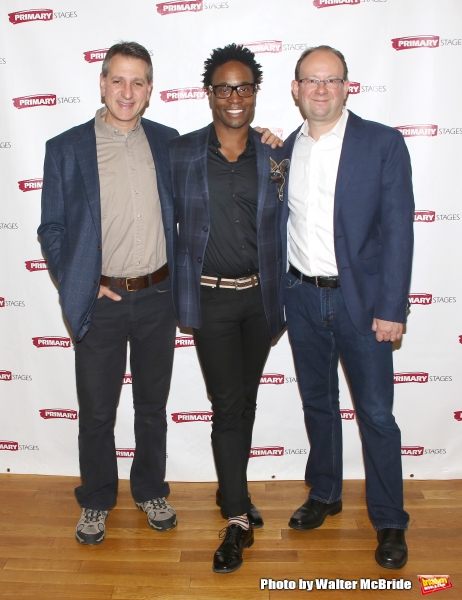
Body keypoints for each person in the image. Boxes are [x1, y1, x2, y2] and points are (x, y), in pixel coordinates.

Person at [38, 41, 281, 546]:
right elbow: (53, 230)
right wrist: (82, 284)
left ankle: (150, 489)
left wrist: (263, 136)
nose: (128, 92)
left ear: (151, 90)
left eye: (139, 82)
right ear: (102, 83)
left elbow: (225, 150)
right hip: (101, 302)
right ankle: (98, 500)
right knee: (98, 411)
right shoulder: (65, 148)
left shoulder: (171, 144)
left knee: (152, 405)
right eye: (118, 80)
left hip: (159, 295)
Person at [283, 45, 414, 569]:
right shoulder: (281, 149)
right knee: (318, 404)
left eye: (331, 80)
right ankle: (325, 493)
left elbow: (398, 232)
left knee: (377, 415)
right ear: (295, 90)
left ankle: (388, 519)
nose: (321, 90)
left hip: (364, 303)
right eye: (311, 81)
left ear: (346, 87)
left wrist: (392, 306)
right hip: (301, 297)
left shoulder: (381, 143)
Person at [169, 44, 288, 573]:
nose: (234, 97)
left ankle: (232, 494)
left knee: (245, 400)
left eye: (244, 87)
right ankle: (236, 519)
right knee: (226, 406)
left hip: (261, 299)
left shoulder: (277, 155)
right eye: (224, 88)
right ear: (209, 94)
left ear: (256, 92)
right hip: (212, 299)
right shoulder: (183, 154)